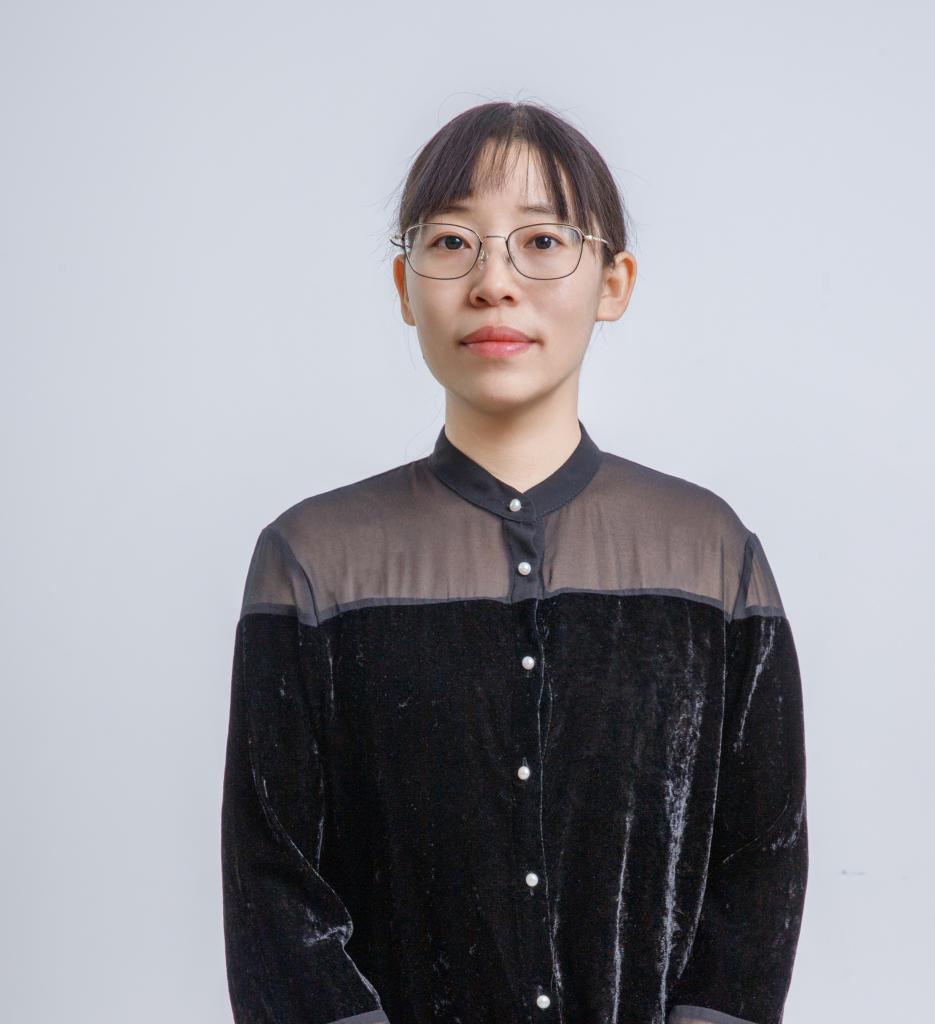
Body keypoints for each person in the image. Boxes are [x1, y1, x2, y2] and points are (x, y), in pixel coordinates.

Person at [221, 100, 809, 1024]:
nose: (494, 282)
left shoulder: (709, 553)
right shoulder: (314, 562)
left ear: (613, 281)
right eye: (452, 243)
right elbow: (273, 887)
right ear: (404, 285)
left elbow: (760, 864)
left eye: (541, 242)